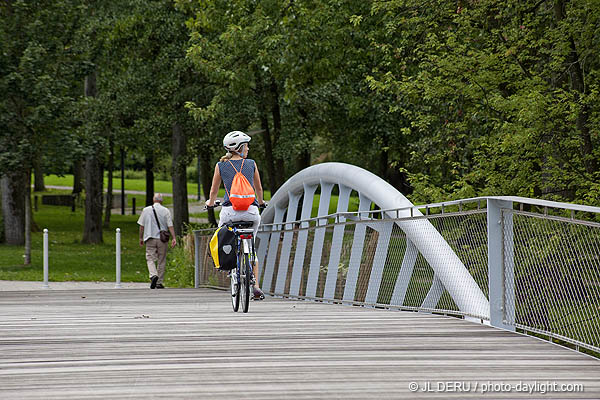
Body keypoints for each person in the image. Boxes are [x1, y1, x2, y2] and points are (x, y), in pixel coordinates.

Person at [206, 130, 266, 300]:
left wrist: (210, 203)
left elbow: (213, 190)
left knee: (221, 235)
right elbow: (259, 189)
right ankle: (256, 285)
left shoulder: (221, 166)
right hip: (251, 213)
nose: (248, 149)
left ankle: (227, 262)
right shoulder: (251, 164)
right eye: (246, 146)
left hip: (229, 212)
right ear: (239, 148)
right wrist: (260, 202)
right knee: (252, 247)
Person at [137, 193, 177, 289]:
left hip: (150, 237)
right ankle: (159, 282)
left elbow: (141, 226)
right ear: (161, 200)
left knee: (150, 258)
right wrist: (174, 237)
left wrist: (141, 238)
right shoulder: (165, 210)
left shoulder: (146, 210)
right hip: (162, 239)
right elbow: (170, 225)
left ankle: (153, 274)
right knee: (161, 260)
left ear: (153, 199)